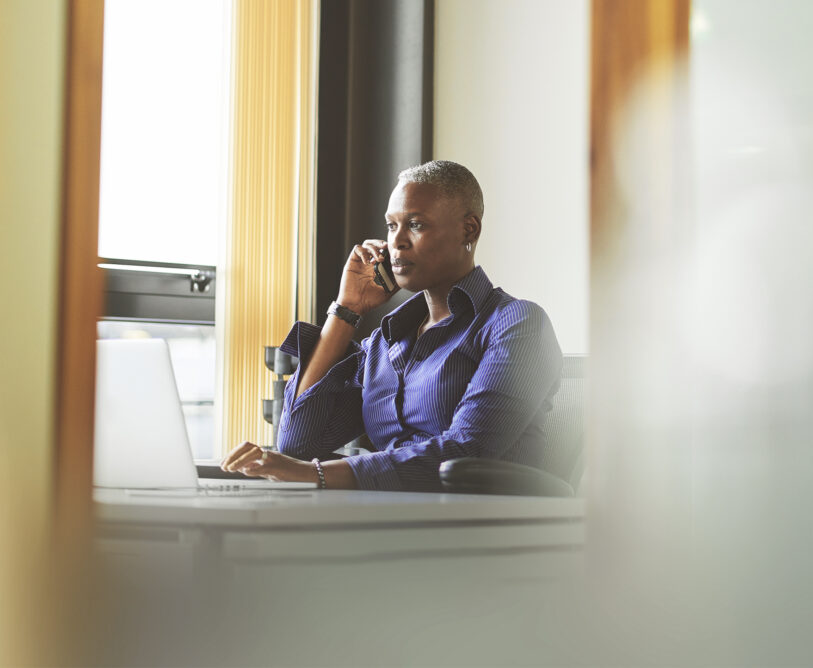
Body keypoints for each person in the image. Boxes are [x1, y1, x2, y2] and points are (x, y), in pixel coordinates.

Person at [221, 160, 563, 491]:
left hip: (480, 528)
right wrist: (346, 309)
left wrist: (318, 474)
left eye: (415, 225)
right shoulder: (385, 343)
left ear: (468, 229)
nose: (397, 241)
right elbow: (297, 441)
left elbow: (467, 451)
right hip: (390, 518)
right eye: (391, 225)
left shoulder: (517, 324)